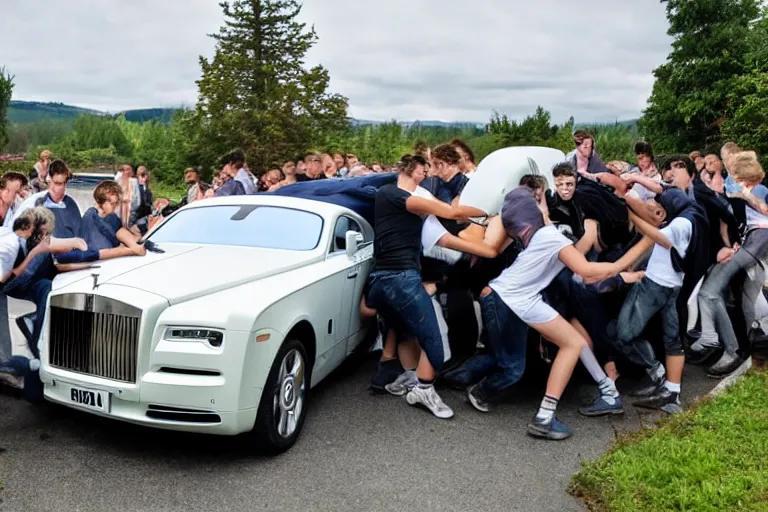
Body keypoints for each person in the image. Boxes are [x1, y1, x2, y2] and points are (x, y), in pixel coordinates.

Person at [365, 154, 486, 419]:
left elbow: (445, 224)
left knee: (402, 326)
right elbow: (451, 212)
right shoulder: (392, 193)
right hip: (399, 278)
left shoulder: (404, 199)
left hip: (384, 280)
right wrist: (487, 210)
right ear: (411, 169)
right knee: (435, 340)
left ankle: (403, 376)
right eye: (424, 169)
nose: (427, 174)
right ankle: (424, 388)